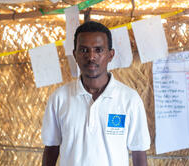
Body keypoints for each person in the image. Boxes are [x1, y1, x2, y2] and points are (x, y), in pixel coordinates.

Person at [41, 21, 150, 166]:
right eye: (84, 50)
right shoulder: (59, 98)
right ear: (75, 54)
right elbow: (51, 148)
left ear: (110, 55)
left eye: (98, 50)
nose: (91, 57)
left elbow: (139, 152)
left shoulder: (129, 99)